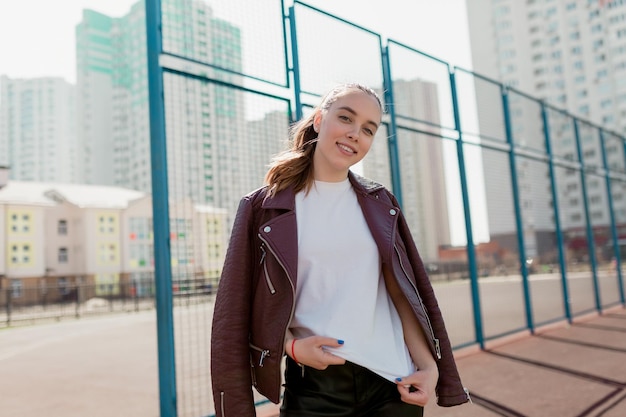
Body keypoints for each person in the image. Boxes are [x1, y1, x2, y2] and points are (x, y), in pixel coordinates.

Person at [211, 83, 469, 417]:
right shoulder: (263, 207)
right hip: (316, 388)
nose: (354, 134)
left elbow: (401, 293)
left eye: (368, 129)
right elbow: (235, 313)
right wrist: (292, 346)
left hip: (393, 382)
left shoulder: (381, 203)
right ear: (319, 119)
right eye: (345, 118)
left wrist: (428, 367)